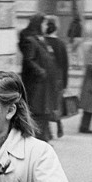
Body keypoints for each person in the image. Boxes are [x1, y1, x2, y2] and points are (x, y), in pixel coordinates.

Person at [19, 13, 60, 142]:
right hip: (37, 85)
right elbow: (29, 60)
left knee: (44, 112)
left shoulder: (41, 39)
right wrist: (41, 72)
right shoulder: (30, 41)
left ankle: (43, 140)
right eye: (44, 24)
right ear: (38, 24)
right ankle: (38, 141)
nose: (46, 26)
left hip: (45, 84)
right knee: (38, 112)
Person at [45, 16, 69, 138]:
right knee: (56, 104)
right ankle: (59, 127)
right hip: (58, 79)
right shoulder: (60, 44)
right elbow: (65, 65)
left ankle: (48, 131)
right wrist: (65, 83)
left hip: (45, 79)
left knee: (46, 103)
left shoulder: (42, 42)